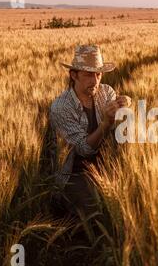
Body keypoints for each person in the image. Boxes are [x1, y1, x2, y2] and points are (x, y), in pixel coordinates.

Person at [49, 45, 130, 223]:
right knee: (99, 212)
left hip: (105, 165)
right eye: (88, 74)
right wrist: (105, 124)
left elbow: (122, 116)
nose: (95, 81)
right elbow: (84, 149)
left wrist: (125, 103)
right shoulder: (61, 107)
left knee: (130, 199)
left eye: (98, 74)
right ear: (73, 75)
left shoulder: (106, 92)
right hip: (75, 173)